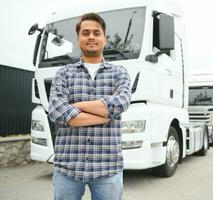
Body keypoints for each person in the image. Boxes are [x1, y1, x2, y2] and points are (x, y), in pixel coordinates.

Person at [48, 12, 131, 200]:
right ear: (78, 39)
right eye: (85, 33)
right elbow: (57, 110)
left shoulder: (119, 73)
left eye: (96, 32)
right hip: (68, 168)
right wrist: (105, 114)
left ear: (105, 39)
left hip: (108, 168)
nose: (91, 36)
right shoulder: (64, 73)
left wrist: (76, 106)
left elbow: (121, 103)